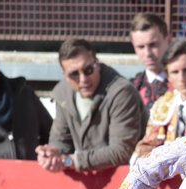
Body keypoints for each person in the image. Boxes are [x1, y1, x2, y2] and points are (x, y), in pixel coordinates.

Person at [37, 38, 145, 174]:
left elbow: (122, 151)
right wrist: (53, 154)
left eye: (88, 70)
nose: (83, 79)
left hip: (128, 180)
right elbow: (61, 139)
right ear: (64, 75)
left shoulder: (121, 92)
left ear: (97, 64)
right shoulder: (62, 92)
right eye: (74, 74)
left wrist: (72, 161)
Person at [126, 13, 186, 110]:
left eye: (153, 45)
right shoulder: (131, 88)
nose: (147, 53)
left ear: (168, 39)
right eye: (140, 47)